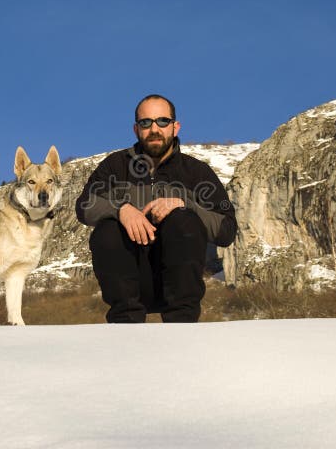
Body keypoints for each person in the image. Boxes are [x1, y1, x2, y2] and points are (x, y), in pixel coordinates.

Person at [75, 94, 237, 323]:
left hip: (178, 281)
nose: (154, 129)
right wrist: (121, 209)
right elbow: (84, 206)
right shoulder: (115, 166)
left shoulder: (197, 173)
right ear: (136, 129)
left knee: (183, 220)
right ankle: (125, 325)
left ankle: (182, 324)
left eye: (162, 121)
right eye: (145, 122)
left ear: (175, 126)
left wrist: (184, 204)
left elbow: (227, 230)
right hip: (129, 281)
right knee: (107, 230)